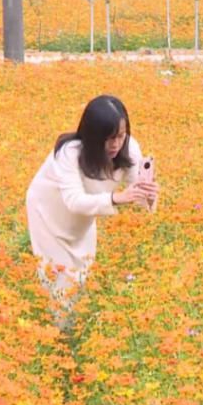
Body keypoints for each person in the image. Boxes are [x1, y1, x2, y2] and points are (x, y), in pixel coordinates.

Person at [25, 95, 159, 332]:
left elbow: (138, 194)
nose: (116, 145)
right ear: (92, 137)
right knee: (60, 281)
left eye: (120, 135)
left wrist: (148, 194)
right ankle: (61, 337)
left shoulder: (129, 149)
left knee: (81, 274)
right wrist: (116, 198)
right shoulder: (69, 153)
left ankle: (72, 331)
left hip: (85, 218)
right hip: (48, 215)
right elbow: (74, 201)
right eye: (108, 139)